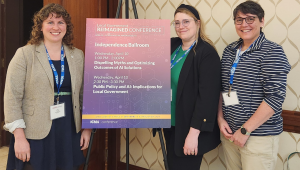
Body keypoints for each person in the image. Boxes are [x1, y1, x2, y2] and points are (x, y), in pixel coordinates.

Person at [3, 3, 91, 170]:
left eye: (61, 22)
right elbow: (12, 98)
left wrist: (87, 128)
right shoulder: (25, 54)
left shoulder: (77, 55)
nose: (55, 27)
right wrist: (19, 137)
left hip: (68, 129)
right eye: (50, 22)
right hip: (34, 131)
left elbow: (84, 95)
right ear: (40, 27)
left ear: (67, 27)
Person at [218, 1, 291, 170]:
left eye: (250, 19)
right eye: (239, 20)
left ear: (262, 21)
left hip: (258, 137)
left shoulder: (272, 51)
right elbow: (223, 88)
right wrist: (220, 118)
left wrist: (245, 131)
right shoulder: (229, 51)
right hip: (230, 134)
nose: (244, 24)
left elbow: (275, 98)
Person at [163, 4, 221, 170]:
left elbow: (207, 99)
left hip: (189, 128)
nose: (181, 27)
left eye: (186, 21)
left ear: (198, 23)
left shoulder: (206, 53)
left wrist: (193, 134)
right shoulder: (172, 46)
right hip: (171, 123)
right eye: (177, 23)